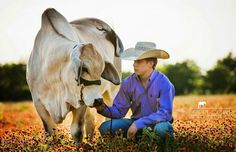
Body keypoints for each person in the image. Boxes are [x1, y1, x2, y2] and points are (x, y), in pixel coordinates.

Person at [95, 41, 175, 145]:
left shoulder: (164, 82)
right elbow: (119, 111)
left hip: (158, 124)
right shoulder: (127, 82)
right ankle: (136, 142)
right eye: (134, 60)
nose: (134, 64)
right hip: (134, 123)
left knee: (162, 130)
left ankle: (159, 145)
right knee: (106, 127)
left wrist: (138, 124)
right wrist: (101, 108)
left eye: (139, 61)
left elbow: (165, 113)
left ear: (151, 63)